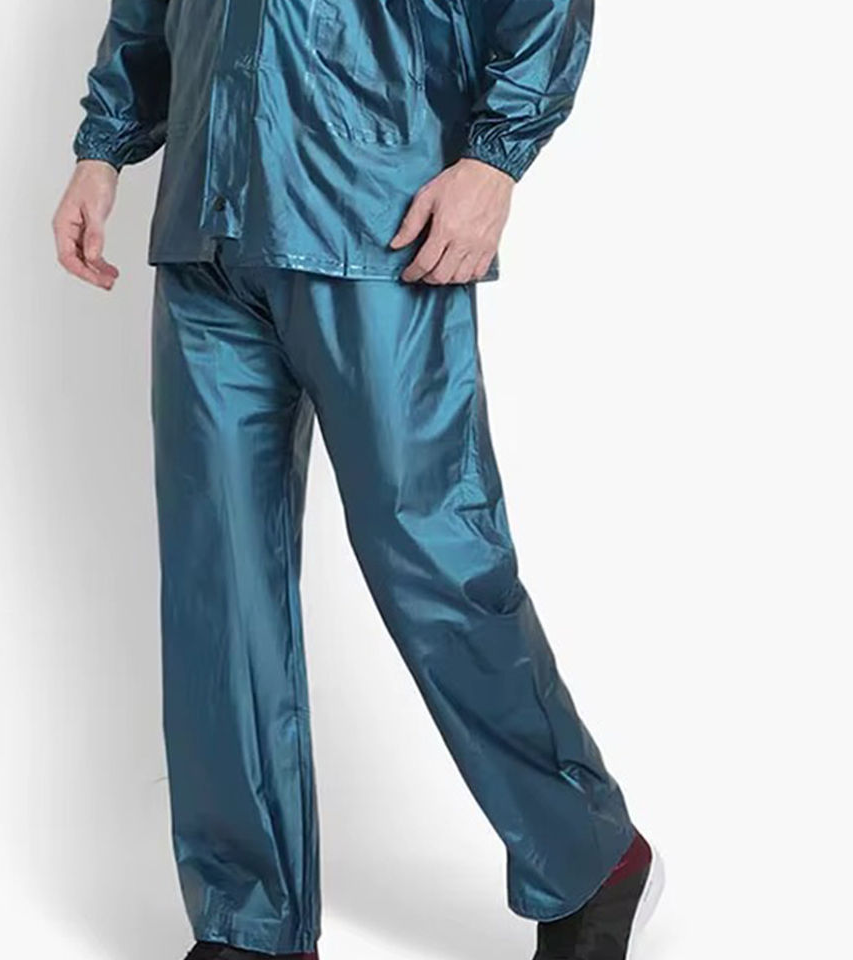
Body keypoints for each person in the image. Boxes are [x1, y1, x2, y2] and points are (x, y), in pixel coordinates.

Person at [52, 2, 664, 958]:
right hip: (209, 225)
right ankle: (250, 920)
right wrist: (103, 148)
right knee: (220, 590)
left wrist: (496, 158)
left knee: (434, 558)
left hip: (379, 209)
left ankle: (589, 854)